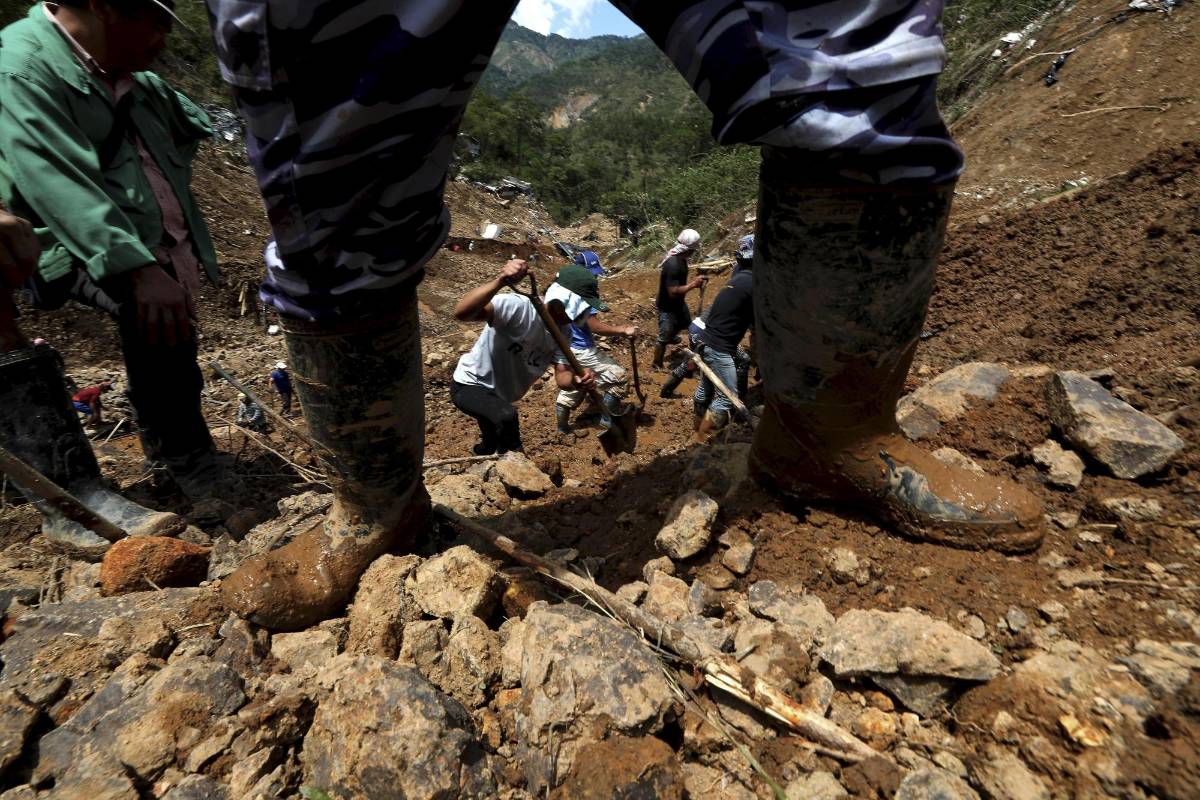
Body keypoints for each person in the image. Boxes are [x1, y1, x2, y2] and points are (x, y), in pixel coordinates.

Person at [208, 0, 1045, 632]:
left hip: (587, 360)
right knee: (334, 141)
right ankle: (373, 508)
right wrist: (576, 331)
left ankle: (833, 435)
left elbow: (589, 334)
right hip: (483, 390)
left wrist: (609, 346)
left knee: (846, 46)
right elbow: (524, 322)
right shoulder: (530, 316)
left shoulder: (569, 324)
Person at [0, 0, 235, 520]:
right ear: (107, 7)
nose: (164, 36)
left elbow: (189, 129)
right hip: (51, 236)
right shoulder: (21, 65)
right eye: (154, 20)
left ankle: (179, 460)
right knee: (151, 311)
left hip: (131, 238)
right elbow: (55, 181)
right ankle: (68, 492)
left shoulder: (129, 79)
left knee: (166, 334)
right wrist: (138, 268)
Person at [0, 203, 186, 555]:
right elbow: (87, 403)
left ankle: (64, 490)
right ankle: (67, 506)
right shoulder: (91, 390)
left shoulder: (95, 391)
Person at [449, 258, 597, 455]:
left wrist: (577, 382)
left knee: (493, 431)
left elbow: (562, 378)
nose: (575, 316)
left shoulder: (564, 334)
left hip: (502, 396)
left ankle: (484, 451)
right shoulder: (517, 306)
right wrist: (500, 281)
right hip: (470, 384)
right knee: (506, 418)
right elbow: (462, 313)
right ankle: (518, 469)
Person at [661, 234, 755, 403]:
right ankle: (740, 400)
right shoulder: (748, 281)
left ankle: (667, 389)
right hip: (706, 331)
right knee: (742, 360)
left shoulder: (740, 275)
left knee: (694, 361)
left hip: (700, 328)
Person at [549, 263, 639, 435]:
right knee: (619, 377)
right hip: (582, 349)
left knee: (578, 383)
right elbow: (595, 326)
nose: (595, 278)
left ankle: (562, 427)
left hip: (566, 348)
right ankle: (607, 423)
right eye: (593, 274)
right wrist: (623, 330)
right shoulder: (581, 294)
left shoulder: (562, 291)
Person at [689, 236, 756, 442]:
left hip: (705, 339)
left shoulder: (738, 278)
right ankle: (701, 439)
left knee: (707, 386)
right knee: (726, 398)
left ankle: (696, 426)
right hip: (718, 346)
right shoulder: (754, 284)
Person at [653, 229, 706, 369]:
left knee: (687, 325)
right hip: (667, 307)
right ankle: (656, 363)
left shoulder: (682, 260)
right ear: (689, 250)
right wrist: (693, 285)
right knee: (663, 337)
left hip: (678, 304)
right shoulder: (674, 264)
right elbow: (673, 292)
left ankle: (672, 336)